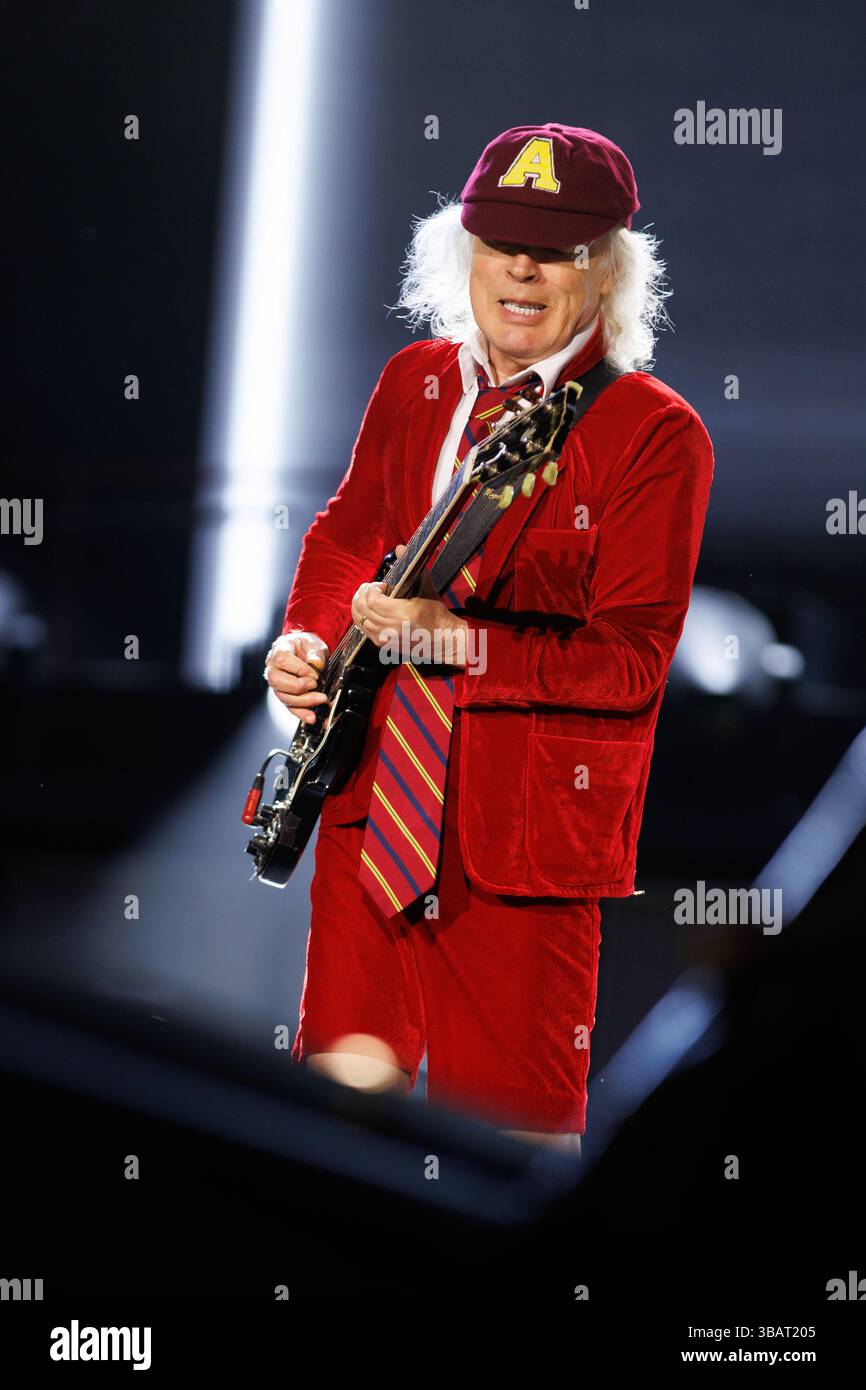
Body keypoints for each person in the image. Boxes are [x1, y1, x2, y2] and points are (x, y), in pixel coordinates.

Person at [264, 123, 714, 1156]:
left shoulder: (653, 431)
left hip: (522, 847)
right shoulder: (411, 381)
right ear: (459, 249)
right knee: (330, 1126)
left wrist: (455, 643)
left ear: (605, 270)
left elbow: (631, 663)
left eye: (556, 248)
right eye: (500, 239)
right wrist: (308, 635)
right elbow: (347, 531)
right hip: (369, 810)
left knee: (509, 1140)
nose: (520, 266)